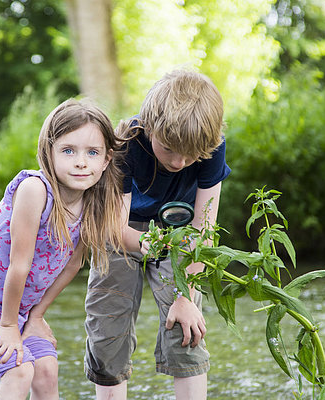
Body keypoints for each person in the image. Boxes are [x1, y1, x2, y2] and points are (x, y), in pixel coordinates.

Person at [0, 99, 124, 400]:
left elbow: (72, 266)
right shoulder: (35, 190)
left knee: (47, 368)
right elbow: (19, 264)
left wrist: (36, 316)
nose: (81, 162)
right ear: (49, 152)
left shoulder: (95, 202)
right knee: (19, 369)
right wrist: (10, 325)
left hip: (17, 302)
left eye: (92, 152)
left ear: (106, 159)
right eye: (68, 150)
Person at [84, 69, 231, 400]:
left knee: (186, 327)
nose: (179, 162)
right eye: (168, 150)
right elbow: (115, 229)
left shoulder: (211, 145)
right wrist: (148, 244)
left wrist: (184, 293)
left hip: (181, 234)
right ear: (150, 129)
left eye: (191, 155)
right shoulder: (126, 143)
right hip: (123, 229)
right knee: (108, 328)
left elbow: (203, 232)